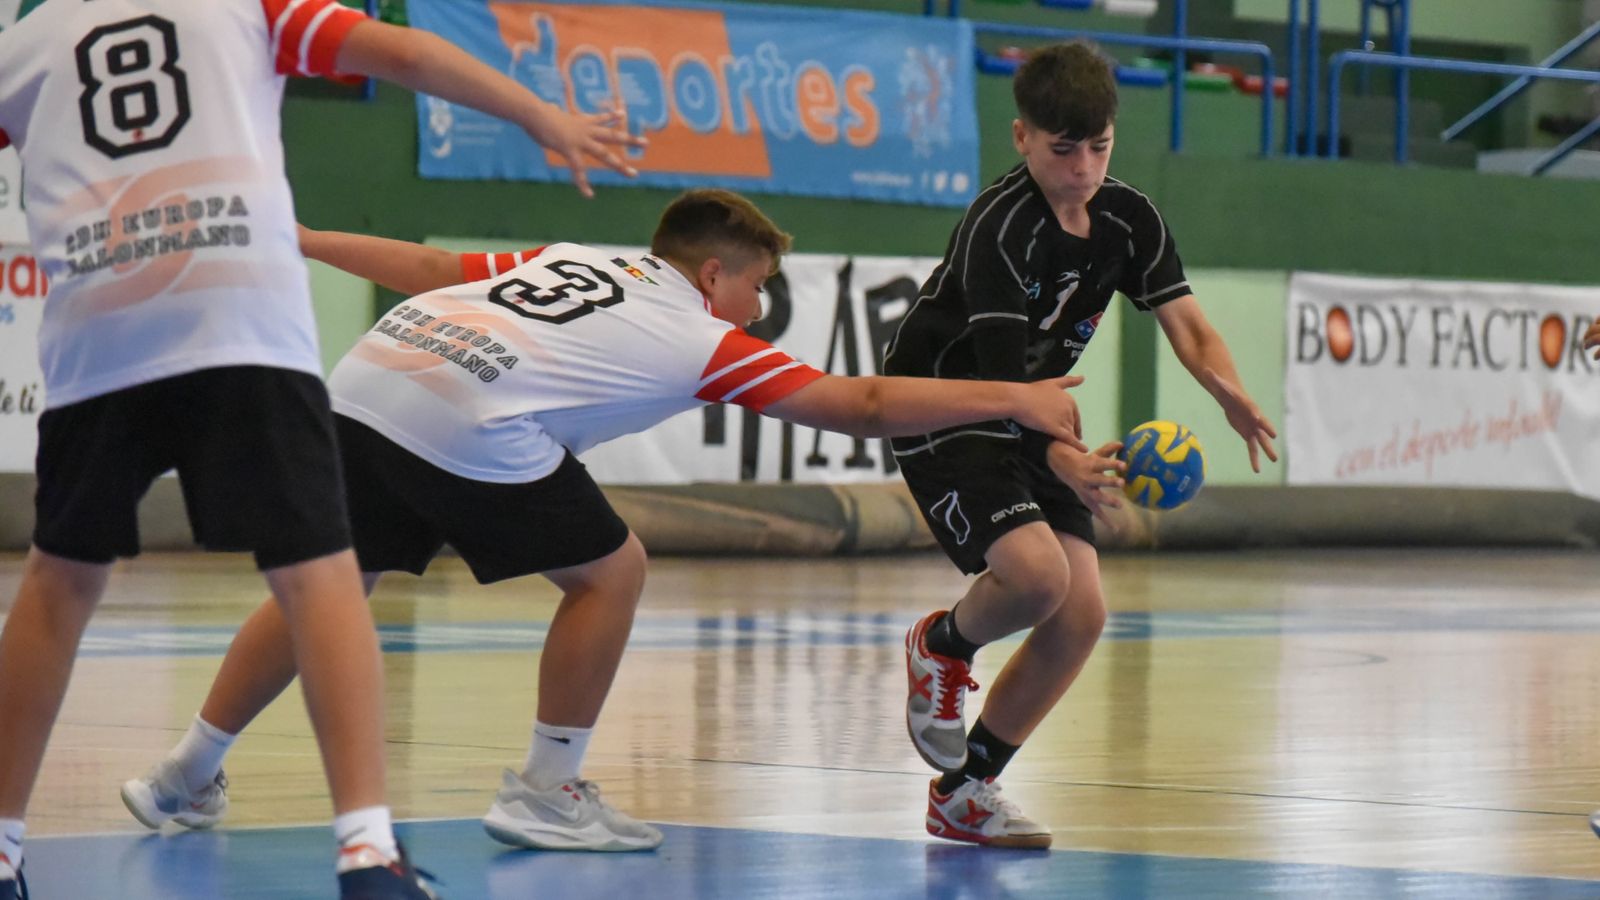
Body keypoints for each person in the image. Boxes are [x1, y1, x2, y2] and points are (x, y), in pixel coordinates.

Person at [120, 188, 1089, 854]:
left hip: (370, 381)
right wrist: (1014, 396)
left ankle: (181, 777)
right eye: (756, 290)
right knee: (611, 571)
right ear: (713, 275)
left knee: (327, 589)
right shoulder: (697, 333)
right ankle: (546, 789)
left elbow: (424, 265)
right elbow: (864, 405)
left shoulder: (574, 257)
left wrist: (299, 239)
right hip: (466, 412)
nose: (757, 313)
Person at [0, 0, 640, 896]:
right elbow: (406, 53)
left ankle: (2, 844)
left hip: (98, 327)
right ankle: (367, 852)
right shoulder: (243, 9)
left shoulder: (25, 41)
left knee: (58, 581)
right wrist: (543, 115)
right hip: (237, 312)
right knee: (320, 575)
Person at [882, 41, 1279, 848]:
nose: (1084, 168)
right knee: (1034, 577)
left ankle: (966, 792)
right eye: (1065, 150)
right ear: (1022, 137)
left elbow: (1191, 325)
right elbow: (1004, 389)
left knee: (1082, 613)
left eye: (1100, 147)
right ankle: (942, 645)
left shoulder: (1128, 218)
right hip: (949, 403)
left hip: (1034, 405)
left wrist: (1226, 390)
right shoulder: (1000, 230)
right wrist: (1063, 456)